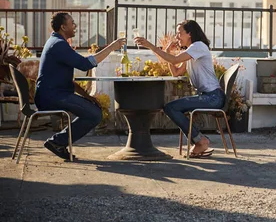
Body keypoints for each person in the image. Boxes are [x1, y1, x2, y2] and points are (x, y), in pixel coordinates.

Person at [36, 12, 126, 160]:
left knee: (94, 110)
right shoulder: (58, 45)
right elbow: (85, 64)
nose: (75, 26)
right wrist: (112, 47)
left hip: (55, 93)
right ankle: (57, 142)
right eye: (72, 23)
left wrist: (87, 96)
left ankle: (58, 142)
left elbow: (68, 80)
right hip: (52, 97)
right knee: (94, 114)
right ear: (63, 27)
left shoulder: (56, 42)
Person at [135, 20, 222, 158]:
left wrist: (150, 45)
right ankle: (199, 140)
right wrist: (168, 52)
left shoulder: (198, 46)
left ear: (190, 34)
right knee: (170, 107)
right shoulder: (191, 51)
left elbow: (175, 60)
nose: (177, 37)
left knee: (171, 108)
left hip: (212, 97)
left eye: (179, 33)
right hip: (208, 96)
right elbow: (176, 72)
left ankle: (200, 141)